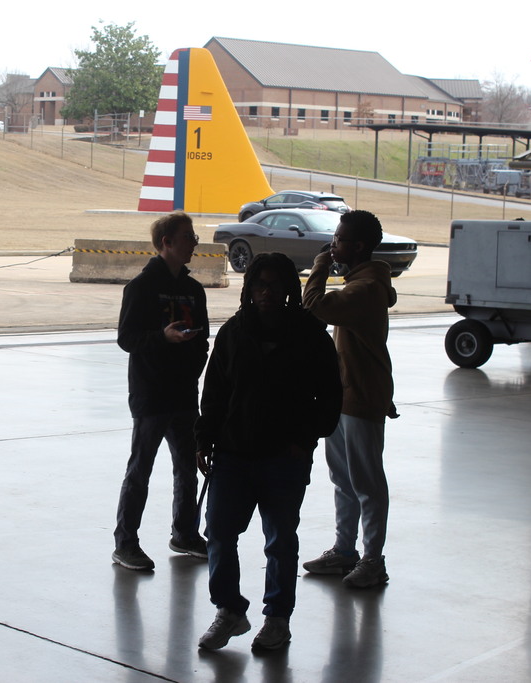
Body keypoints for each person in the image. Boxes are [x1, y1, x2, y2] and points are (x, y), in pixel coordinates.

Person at [195, 253, 342, 650]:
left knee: (279, 541)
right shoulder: (234, 333)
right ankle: (229, 610)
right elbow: (215, 393)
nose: (266, 292)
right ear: (248, 288)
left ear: (289, 290)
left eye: (275, 285)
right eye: (259, 284)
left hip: (283, 458)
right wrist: (204, 439)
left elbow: (329, 398)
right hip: (233, 454)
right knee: (220, 535)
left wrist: (303, 440)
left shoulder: (311, 335)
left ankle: (277, 618)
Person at [301, 209, 397, 589]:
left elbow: (314, 309)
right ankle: (345, 551)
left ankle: (373, 560)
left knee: (367, 484)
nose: (332, 244)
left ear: (357, 247)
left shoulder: (365, 289)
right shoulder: (362, 282)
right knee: (343, 479)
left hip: (361, 397)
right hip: (344, 395)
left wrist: (319, 266)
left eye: (338, 240)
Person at [112, 211, 210, 571]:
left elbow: (203, 341)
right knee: (141, 469)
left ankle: (184, 533)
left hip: (184, 394)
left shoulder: (193, 289)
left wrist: (193, 370)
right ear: (166, 242)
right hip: (151, 395)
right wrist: (162, 338)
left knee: (187, 468)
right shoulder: (141, 287)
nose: (194, 243)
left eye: (194, 237)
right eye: (188, 237)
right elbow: (127, 338)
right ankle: (126, 542)